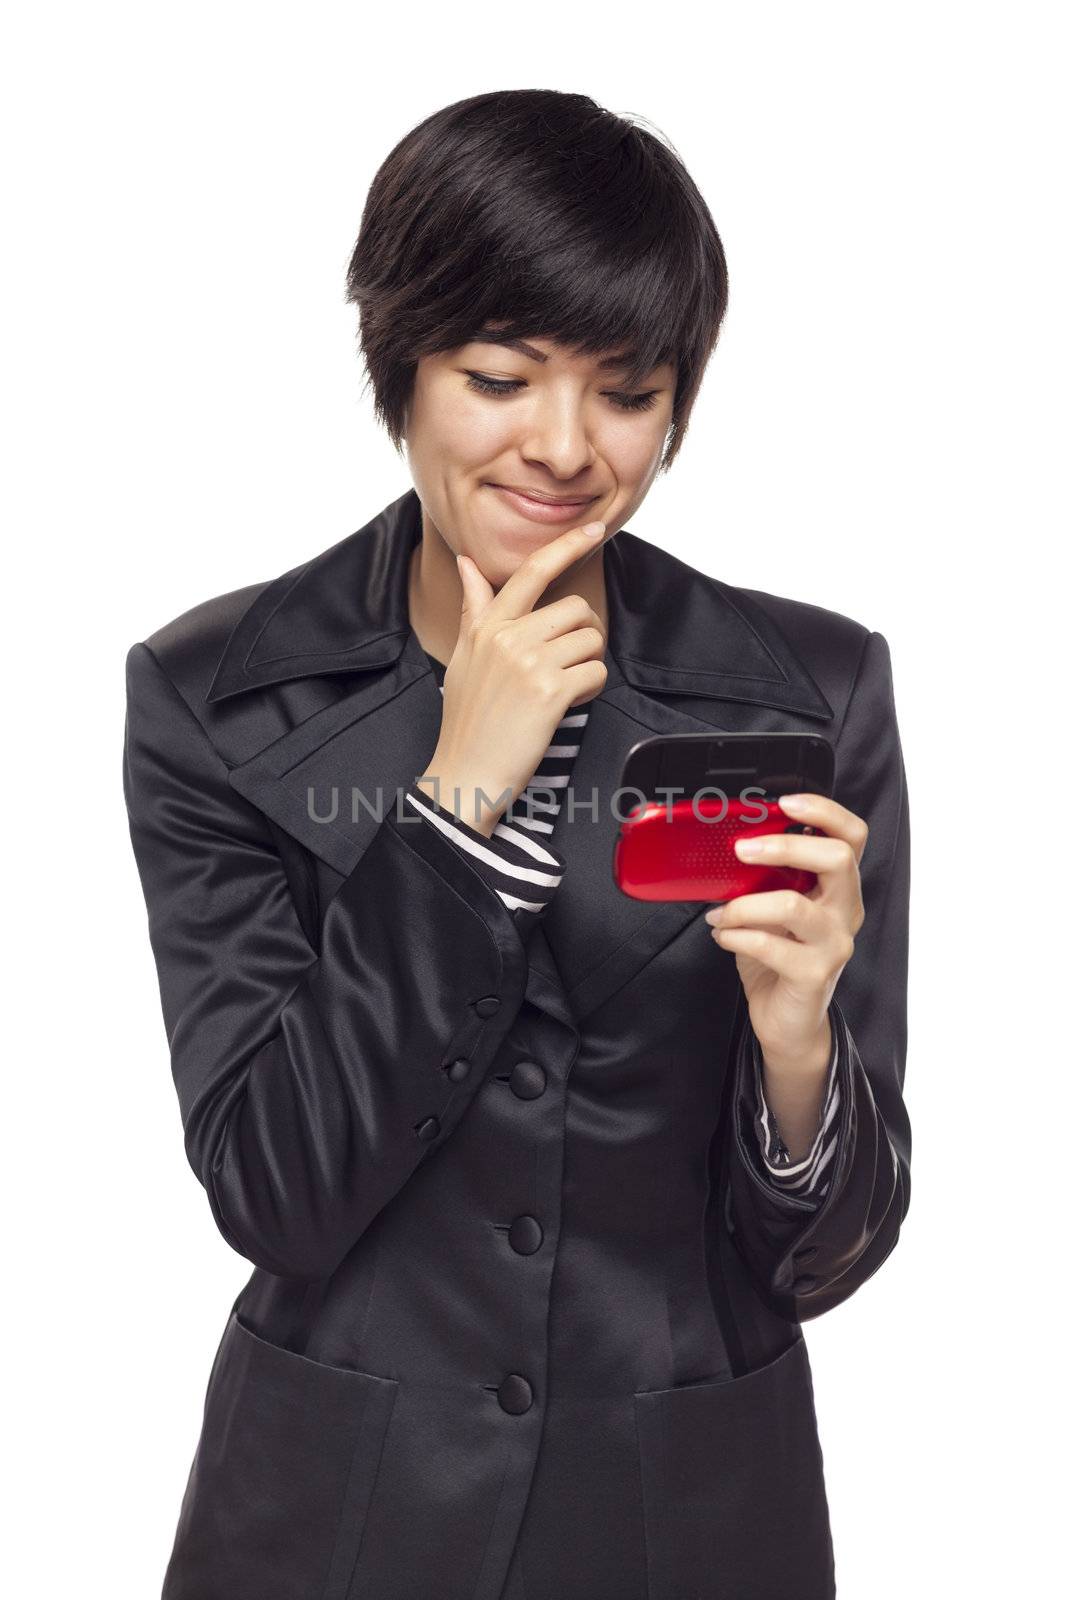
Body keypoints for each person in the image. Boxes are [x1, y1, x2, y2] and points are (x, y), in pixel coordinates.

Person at [122, 88, 911, 1600]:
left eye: (626, 390)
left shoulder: (812, 694)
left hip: (691, 1516)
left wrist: (804, 1053)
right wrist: (454, 802)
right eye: (500, 376)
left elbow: (823, 1262)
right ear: (402, 370)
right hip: (337, 1520)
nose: (564, 445)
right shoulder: (218, 699)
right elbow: (273, 1194)